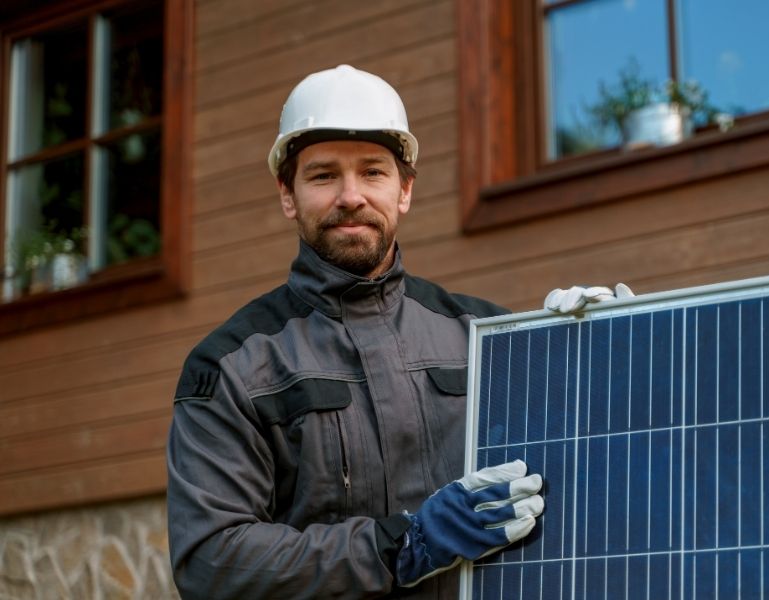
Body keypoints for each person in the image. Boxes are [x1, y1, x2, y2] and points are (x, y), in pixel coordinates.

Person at [166, 65, 630, 599]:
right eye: (322, 176)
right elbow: (211, 561)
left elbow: (592, 466)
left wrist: (609, 353)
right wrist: (400, 546)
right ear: (287, 194)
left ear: (404, 190)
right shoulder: (232, 366)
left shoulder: (486, 335)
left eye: (372, 172)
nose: (350, 196)